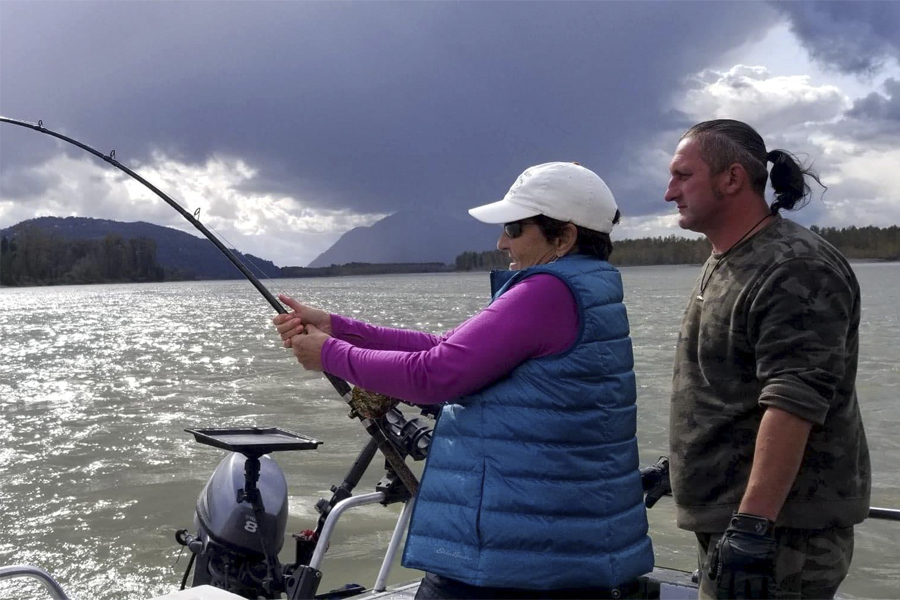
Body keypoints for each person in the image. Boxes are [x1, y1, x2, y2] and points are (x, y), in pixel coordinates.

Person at [274, 162, 654, 598]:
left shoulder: (546, 292)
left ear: (564, 237)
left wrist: (329, 354)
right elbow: (444, 346)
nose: (501, 242)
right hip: (551, 550)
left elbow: (434, 374)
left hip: (512, 561)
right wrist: (337, 328)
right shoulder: (584, 287)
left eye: (514, 228)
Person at [664, 119, 871, 599]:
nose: (669, 191)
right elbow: (728, 388)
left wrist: (753, 524)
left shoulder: (795, 266)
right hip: (737, 521)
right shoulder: (731, 258)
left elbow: (794, 400)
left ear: (732, 178)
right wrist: (677, 463)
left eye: (682, 175)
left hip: (780, 535)